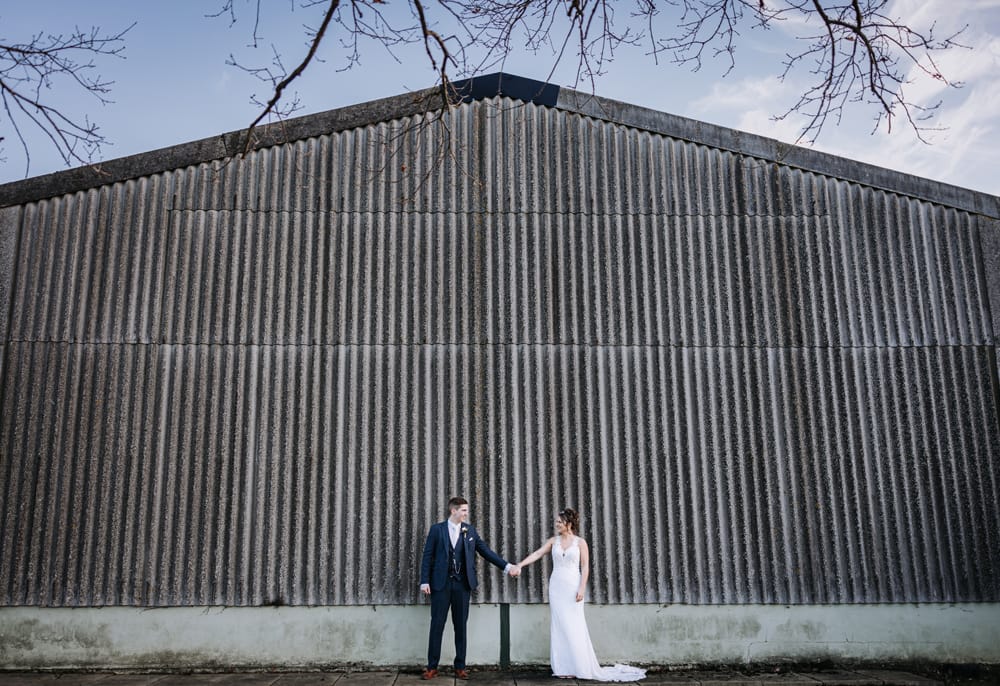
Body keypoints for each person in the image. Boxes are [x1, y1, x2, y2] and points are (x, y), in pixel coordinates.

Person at [516, 508, 645, 682]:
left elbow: (585, 567)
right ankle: (563, 667)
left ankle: (579, 665)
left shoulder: (580, 543)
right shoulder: (553, 541)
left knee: (574, 626)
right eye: (556, 522)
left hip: (572, 586)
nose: (556, 524)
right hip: (556, 587)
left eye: (559, 522)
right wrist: (520, 565)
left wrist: (582, 588)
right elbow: (538, 553)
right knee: (559, 626)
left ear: (569, 524)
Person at [420, 496, 520, 680]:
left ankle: (460, 667)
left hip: (462, 585)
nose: (466, 513)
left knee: (461, 626)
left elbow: (486, 552)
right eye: (464, 510)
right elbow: (427, 556)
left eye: (466, 510)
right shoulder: (437, 530)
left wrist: (507, 567)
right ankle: (432, 667)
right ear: (454, 511)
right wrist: (424, 581)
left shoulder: (470, 531)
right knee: (437, 625)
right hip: (440, 586)